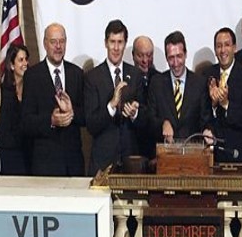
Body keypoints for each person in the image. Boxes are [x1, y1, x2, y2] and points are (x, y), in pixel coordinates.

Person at [21, 23, 86, 176]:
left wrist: (72, 112)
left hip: (73, 163)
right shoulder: (32, 76)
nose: (58, 46)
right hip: (45, 164)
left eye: (62, 41)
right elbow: (26, 122)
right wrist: (51, 120)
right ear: (45, 44)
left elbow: (86, 116)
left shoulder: (76, 73)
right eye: (53, 42)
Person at [84, 20, 145, 176]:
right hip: (103, 162)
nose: (116, 48)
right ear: (106, 43)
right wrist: (111, 106)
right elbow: (91, 124)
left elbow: (146, 119)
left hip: (131, 162)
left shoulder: (136, 75)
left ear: (125, 44)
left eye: (120, 42)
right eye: (112, 42)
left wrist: (135, 114)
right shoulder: (92, 77)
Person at [148, 31, 212, 144]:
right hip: (165, 151)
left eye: (179, 56)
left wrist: (207, 130)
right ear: (166, 58)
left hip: (192, 151)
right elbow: (150, 119)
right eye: (171, 58)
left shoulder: (200, 83)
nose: (176, 63)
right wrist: (163, 124)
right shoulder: (157, 83)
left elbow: (205, 119)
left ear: (186, 54)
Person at [205, 27, 242, 162]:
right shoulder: (206, 75)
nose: (223, 50)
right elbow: (200, 114)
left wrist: (226, 105)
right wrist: (213, 105)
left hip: (237, 154)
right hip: (211, 154)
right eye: (219, 46)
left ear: (234, 48)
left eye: (227, 45)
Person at [1, 43, 31, 173]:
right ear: (12, 65)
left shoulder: (32, 88)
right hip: (11, 156)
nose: (25, 63)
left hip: (30, 152)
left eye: (26, 59)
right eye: (21, 60)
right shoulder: (4, 92)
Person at [132, 35, 160, 159]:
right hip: (133, 149)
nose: (145, 60)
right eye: (140, 55)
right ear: (133, 55)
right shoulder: (126, 80)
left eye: (149, 55)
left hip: (156, 149)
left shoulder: (161, 80)